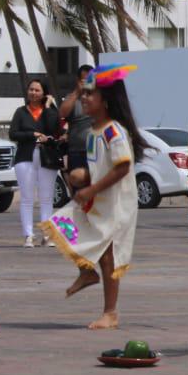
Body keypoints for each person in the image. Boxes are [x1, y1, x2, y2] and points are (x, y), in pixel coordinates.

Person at [42, 64, 144, 329]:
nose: (84, 98)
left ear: (105, 100)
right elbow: (100, 167)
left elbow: (122, 167)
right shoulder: (92, 133)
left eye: (90, 94)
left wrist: (91, 188)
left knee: (109, 256)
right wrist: (82, 177)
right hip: (97, 200)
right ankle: (87, 272)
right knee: (62, 226)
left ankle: (110, 312)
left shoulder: (113, 131)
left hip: (115, 203)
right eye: (84, 93)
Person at [10, 78, 64, 247]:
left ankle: (47, 235)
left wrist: (48, 106)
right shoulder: (20, 112)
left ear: (44, 93)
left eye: (37, 90)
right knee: (27, 197)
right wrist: (31, 135)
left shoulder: (50, 111)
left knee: (46, 198)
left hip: (47, 156)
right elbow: (13, 133)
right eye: (31, 89)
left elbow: (55, 129)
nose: (33, 93)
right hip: (25, 157)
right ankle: (28, 235)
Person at [58, 65, 95, 172]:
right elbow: (62, 113)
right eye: (85, 80)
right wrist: (77, 92)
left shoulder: (98, 97)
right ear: (78, 81)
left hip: (95, 149)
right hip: (77, 151)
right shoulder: (72, 97)